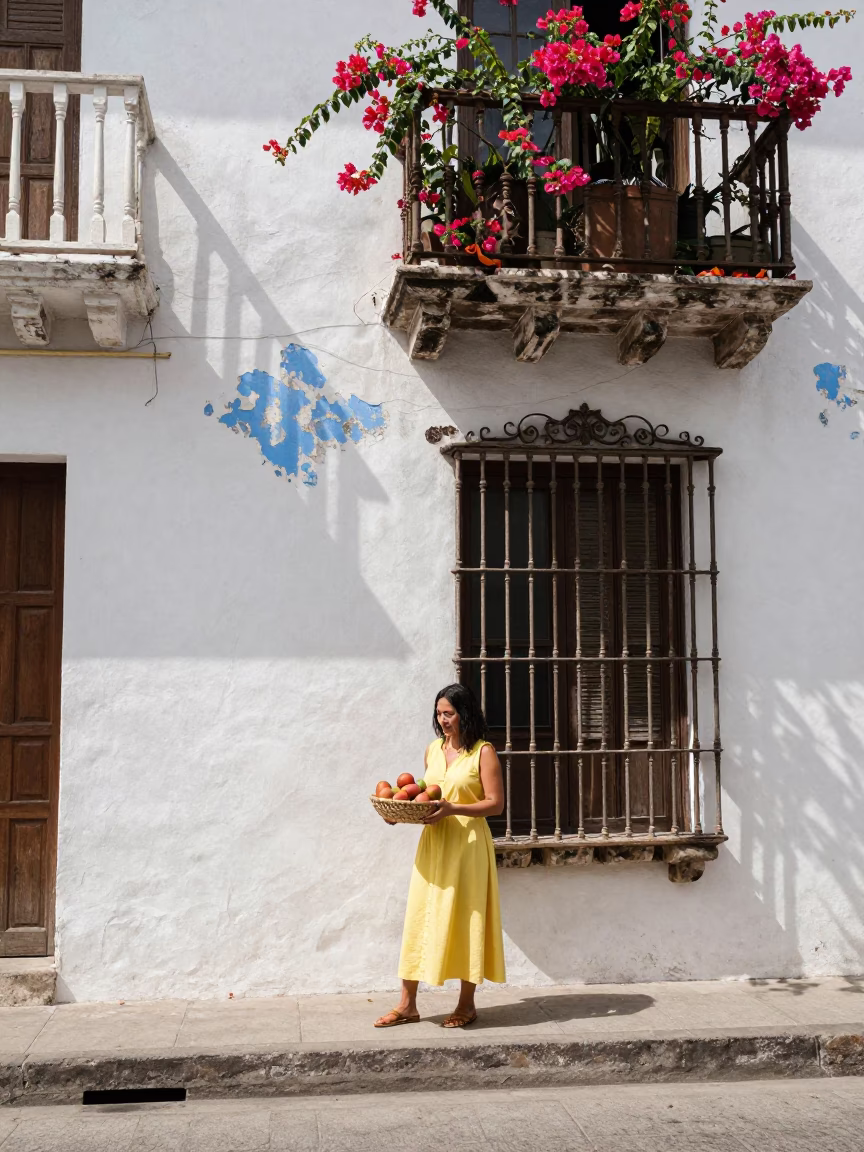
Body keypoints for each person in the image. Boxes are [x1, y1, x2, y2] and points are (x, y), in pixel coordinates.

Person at [374, 683, 506, 1029]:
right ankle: (407, 1004)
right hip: (434, 845)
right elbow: (422, 794)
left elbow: (496, 803)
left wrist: (454, 809)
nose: (443, 720)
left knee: (467, 919)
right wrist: (398, 810)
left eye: (448, 713)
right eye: (438, 713)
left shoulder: (483, 752)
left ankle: (466, 1004)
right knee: (420, 916)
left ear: (465, 713)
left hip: (468, 846)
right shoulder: (433, 750)